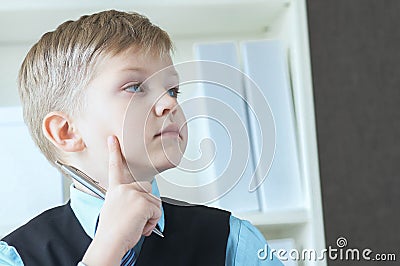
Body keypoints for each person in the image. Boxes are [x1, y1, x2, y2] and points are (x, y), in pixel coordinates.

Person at [0, 10, 283, 266]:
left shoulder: (232, 242)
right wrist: (107, 248)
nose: (169, 104)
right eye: (135, 87)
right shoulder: (15, 257)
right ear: (66, 132)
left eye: (173, 90)